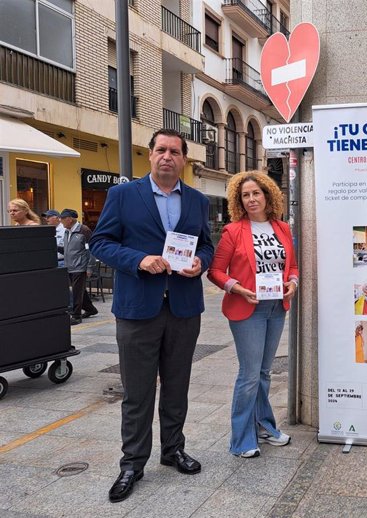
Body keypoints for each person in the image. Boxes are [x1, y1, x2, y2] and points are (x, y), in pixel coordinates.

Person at [90, 129, 214, 503]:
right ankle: (132, 463)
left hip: (182, 308)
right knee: (138, 392)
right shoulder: (123, 195)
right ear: (150, 155)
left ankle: (173, 449)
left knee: (177, 387)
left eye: (175, 152)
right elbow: (101, 242)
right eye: (161, 150)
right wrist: (138, 259)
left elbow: (207, 244)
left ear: (183, 159)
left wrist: (200, 263)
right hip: (137, 309)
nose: (167, 157)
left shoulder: (196, 200)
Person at [208, 171, 298, 459]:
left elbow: (292, 266)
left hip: (276, 307)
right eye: (245, 195)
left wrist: (292, 283)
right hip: (248, 308)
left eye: (256, 193)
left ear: (267, 195)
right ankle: (241, 439)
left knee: (263, 372)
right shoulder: (233, 231)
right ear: (239, 200)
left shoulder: (282, 228)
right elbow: (216, 271)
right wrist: (237, 288)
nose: (251, 199)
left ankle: (264, 426)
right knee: (249, 375)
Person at [59, 209, 98, 325]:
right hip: (69, 266)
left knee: (76, 291)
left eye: (62, 219)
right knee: (80, 290)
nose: (61, 222)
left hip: (80, 267)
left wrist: (89, 267)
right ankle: (91, 309)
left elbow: (90, 250)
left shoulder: (84, 230)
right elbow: (66, 249)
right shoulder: (67, 231)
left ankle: (76, 315)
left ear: (69, 219)